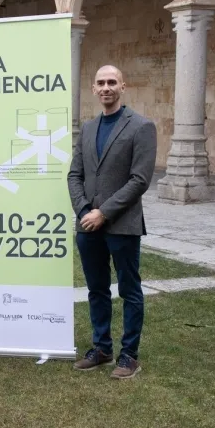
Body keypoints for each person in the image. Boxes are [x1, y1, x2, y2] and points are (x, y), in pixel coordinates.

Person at [67, 65, 157, 379]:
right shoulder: (88, 128)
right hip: (87, 225)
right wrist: (84, 211)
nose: (106, 87)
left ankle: (129, 355)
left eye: (111, 82)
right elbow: (74, 175)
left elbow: (140, 180)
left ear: (122, 86)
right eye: (101, 83)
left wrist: (103, 212)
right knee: (96, 289)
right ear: (94, 89)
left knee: (129, 290)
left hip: (122, 224)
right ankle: (102, 348)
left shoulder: (141, 127)